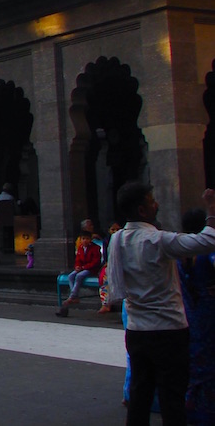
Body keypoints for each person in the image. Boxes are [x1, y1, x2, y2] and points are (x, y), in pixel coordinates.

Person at [106, 182, 215, 425]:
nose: (157, 204)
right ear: (142, 210)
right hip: (168, 331)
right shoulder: (158, 240)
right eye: (152, 200)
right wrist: (212, 211)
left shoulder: (118, 240)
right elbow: (208, 241)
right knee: (172, 397)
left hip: (137, 330)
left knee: (140, 394)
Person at [179, 208, 215, 425]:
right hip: (208, 314)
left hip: (189, 314)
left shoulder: (179, 255)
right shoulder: (207, 253)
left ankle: (191, 408)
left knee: (195, 362)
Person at [61, 228, 102, 308]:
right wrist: (77, 267)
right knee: (71, 276)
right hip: (82, 268)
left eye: (87, 239)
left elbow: (95, 262)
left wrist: (84, 267)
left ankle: (72, 296)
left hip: (91, 269)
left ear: (90, 239)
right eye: (83, 239)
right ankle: (75, 296)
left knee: (79, 276)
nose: (85, 241)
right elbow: (78, 259)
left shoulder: (95, 248)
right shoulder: (80, 248)